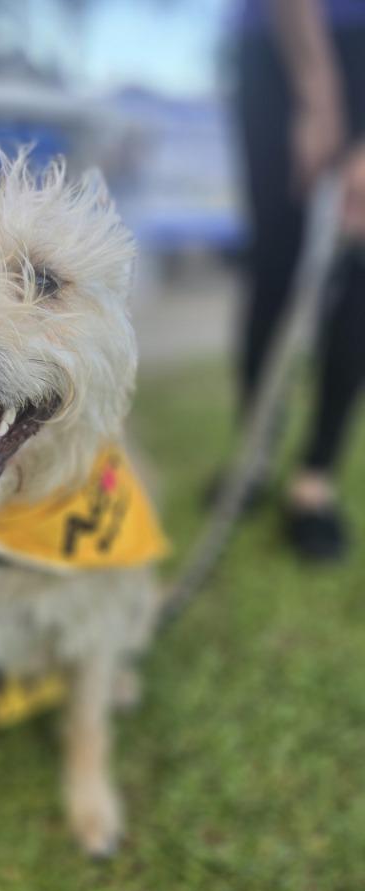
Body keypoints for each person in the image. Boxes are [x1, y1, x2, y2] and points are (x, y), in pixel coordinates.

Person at [230, 0, 365, 559]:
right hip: (274, 38)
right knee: (273, 266)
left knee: (357, 268)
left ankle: (314, 478)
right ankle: (253, 458)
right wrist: (318, 94)